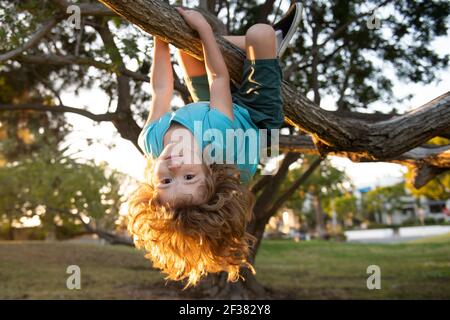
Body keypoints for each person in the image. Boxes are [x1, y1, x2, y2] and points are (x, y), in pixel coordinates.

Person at [127, 3, 302, 287]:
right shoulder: (218, 137)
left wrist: (159, 36)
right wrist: (206, 29)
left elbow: (160, 89)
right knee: (260, 34)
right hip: (256, 119)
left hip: (209, 108)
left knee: (185, 44)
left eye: (167, 181)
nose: (174, 167)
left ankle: (249, 53)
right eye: (188, 176)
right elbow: (218, 78)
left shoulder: (151, 140)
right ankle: (267, 46)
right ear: (210, 171)